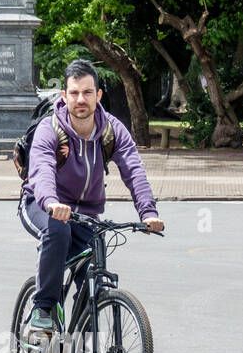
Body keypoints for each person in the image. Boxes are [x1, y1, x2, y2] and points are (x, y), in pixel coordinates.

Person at [18, 59, 165, 337]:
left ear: (98, 95)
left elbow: (133, 169)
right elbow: (41, 169)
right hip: (41, 204)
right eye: (74, 93)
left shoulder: (112, 130)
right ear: (64, 96)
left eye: (87, 92)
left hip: (86, 213)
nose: (80, 99)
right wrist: (50, 201)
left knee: (93, 278)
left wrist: (148, 213)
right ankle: (43, 309)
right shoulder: (51, 129)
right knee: (58, 232)